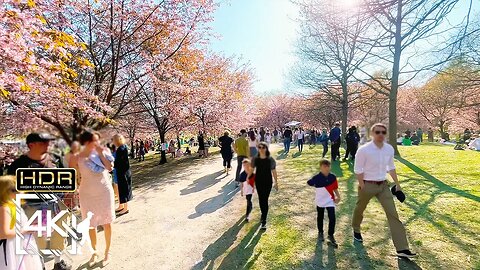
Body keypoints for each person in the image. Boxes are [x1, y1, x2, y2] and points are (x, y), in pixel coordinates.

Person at [7, 132, 72, 270]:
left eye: (48, 142)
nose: (48, 145)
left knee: (59, 234)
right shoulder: (18, 165)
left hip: (56, 204)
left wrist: (68, 193)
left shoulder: (55, 159)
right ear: (31, 145)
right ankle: (40, 265)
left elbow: (65, 179)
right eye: (43, 142)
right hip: (31, 208)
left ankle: (58, 262)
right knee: (36, 240)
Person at [353, 123, 417, 258]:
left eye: (383, 132)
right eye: (377, 132)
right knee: (360, 209)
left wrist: (398, 185)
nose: (381, 134)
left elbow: (391, 167)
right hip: (367, 185)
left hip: (383, 186)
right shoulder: (364, 150)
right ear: (372, 134)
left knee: (393, 214)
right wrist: (362, 185)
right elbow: (358, 170)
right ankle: (356, 229)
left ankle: (402, 249)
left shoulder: (388, 149)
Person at [71, 130, 115, 267]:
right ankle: (94, 252)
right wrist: (74, 189)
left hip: (104, 191)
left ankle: (107, 251)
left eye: (97, 140)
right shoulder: (77, 157)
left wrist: (101, 153)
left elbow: (109, 168)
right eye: (93, 141)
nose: (96, 143)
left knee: (107, 222)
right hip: (86, 194)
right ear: (85, 142)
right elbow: (74, 175)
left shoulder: (104, 153)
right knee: (90, 225)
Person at [0, 175, 44, 270]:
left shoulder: (14, 205)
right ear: (4, 191)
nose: (20, 191)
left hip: (23, 244)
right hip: (12, 247)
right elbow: (4, 234)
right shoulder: (5, 208)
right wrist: (25, 230)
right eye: (14, 189)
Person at [307, 159, 341, 247]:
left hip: (330, 200)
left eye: (328, 166)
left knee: (332, 217)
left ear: (330, 167)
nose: (326, 168)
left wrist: (338, 196)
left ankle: (330, 235)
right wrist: (317, 186)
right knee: (320, 217)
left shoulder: (333, 177)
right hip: (320, 201)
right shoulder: (317, 177)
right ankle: (320, 233)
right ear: (320, 167)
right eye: (324, 166)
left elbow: (335, 188)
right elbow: (309, 182)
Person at [252, 142, 278, 230]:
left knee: (265, 200)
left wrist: (276, 182)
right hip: (258, 181)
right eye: (260, 148)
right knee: (261, 199)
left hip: (267, 182)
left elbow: (274, 171)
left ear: (266, 149)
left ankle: (264, 220)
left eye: (263, 148)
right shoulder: (256, 159)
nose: (261, 149)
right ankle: (263, 214)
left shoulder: (270, 159)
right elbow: (252, 170)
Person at [113, 134, 132, 216]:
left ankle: (125, 208)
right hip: (124, 172)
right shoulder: (122, 148)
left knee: (123, 190)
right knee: (122, 190)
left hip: (123, 173)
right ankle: (122, 206)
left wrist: (112, 164)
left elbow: (119, 162)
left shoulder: (121, 149)